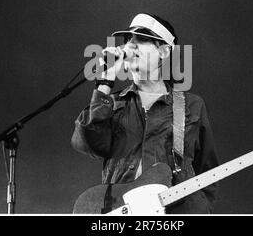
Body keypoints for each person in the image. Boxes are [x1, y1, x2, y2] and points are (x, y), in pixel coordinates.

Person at [71, 13, 219, 214]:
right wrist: (104, 84)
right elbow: (86, 144)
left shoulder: (192, 105)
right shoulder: (111, 103)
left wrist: (201, 209)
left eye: (141, 39)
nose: (130, 45)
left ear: (164, 52)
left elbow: (208, 172)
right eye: (128, 39)